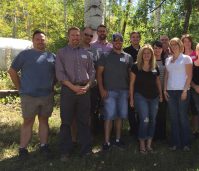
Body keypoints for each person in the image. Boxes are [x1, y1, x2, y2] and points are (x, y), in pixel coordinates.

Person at [8, 30, 55, 158]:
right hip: (29, 96)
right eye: (38, 39)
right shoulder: (25, 55)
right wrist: (20, 88)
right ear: (33, 40)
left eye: (43, 39)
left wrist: (52, 85)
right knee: (28, 121)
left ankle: (44, 145)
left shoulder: (51, 56)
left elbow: (56, 75)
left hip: (46, 95)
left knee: (44, 121)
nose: (40, 41)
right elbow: (12, 71)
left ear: (46, 41)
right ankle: (23, 148)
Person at [56, 27, 95, 161]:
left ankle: (86, 149)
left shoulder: (87, 53)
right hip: (68, 90)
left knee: (84, 121)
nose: (76, 38)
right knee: (66, 122)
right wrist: (73, 87)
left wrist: (88, 86)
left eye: (78, 35)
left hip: (84, 91)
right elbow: (60, 73)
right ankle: (65, 151)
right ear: (68, 36)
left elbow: (92, 73)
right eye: (73, 35)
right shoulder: (61, 52)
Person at [97, 33, 133, 151]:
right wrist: (101, 89)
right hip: (109, 92)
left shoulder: (128, 57)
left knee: (120, 117)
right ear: (112, 42)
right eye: (116, 41)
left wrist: (130, 91)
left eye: (120, 41)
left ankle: (117, 140)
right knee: (109, 117)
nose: (118, 42)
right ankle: (106, 142)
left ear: (123, 42)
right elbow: (99, 74)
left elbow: (130, 75)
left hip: (123, 91)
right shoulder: (105, 56)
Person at [129, 44, 163, 154]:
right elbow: (132, 84)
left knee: (152, 120)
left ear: (151, 55)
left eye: (149, 53)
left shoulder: (155, 66)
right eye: (145, 53)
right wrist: (131, 99)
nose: (147, 55)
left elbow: (158, 82)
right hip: (140, 96)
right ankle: (142, 144)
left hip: (154, 97)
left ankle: (149, 144)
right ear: (141, 54)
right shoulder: (135, 66)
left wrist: (161, 95)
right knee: (145, 119)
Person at [164, 37, 192, 151]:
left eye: (176, 44)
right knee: (173, 118)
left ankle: (186, 143)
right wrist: (164, 90)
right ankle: (175, 143)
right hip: (170, 91)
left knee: (183, 117)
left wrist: (185, 91)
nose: (174, 46)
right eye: (172, 45)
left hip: (182, 91)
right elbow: (166, 75)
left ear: (180, 45)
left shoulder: (186, 58)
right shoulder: (168, 60)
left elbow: (189, 76)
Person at [181, 34, 199, 138]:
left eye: (189, 41)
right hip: (182, 85)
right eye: (185, 41)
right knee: (184, 109)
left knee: (195, 109)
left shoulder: (196, 53)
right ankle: (185, 129)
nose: (187, 43)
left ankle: (196, 130)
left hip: (195, 84)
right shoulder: (180, 55)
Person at [124, 31, 141, 137]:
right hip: (129, 83)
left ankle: (140, 127)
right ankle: (133, 129)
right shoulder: (125, 51)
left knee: (140, 106)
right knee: (131, 107)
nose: (135, 39)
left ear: (140, 39)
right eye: (133, 37)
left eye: (137, 37)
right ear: (130, 39)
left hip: (142, 84)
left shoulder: (144, 50)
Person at [152, 41, 167, 141]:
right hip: (152, 91)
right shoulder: (149, 60)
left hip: (163, 90)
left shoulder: (166, 61)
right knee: (153, 114)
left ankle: (161, 135)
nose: (157, 50)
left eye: (159, 48)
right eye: (155, 48)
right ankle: (151, 134)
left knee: (162, 114)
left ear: (162, 49)